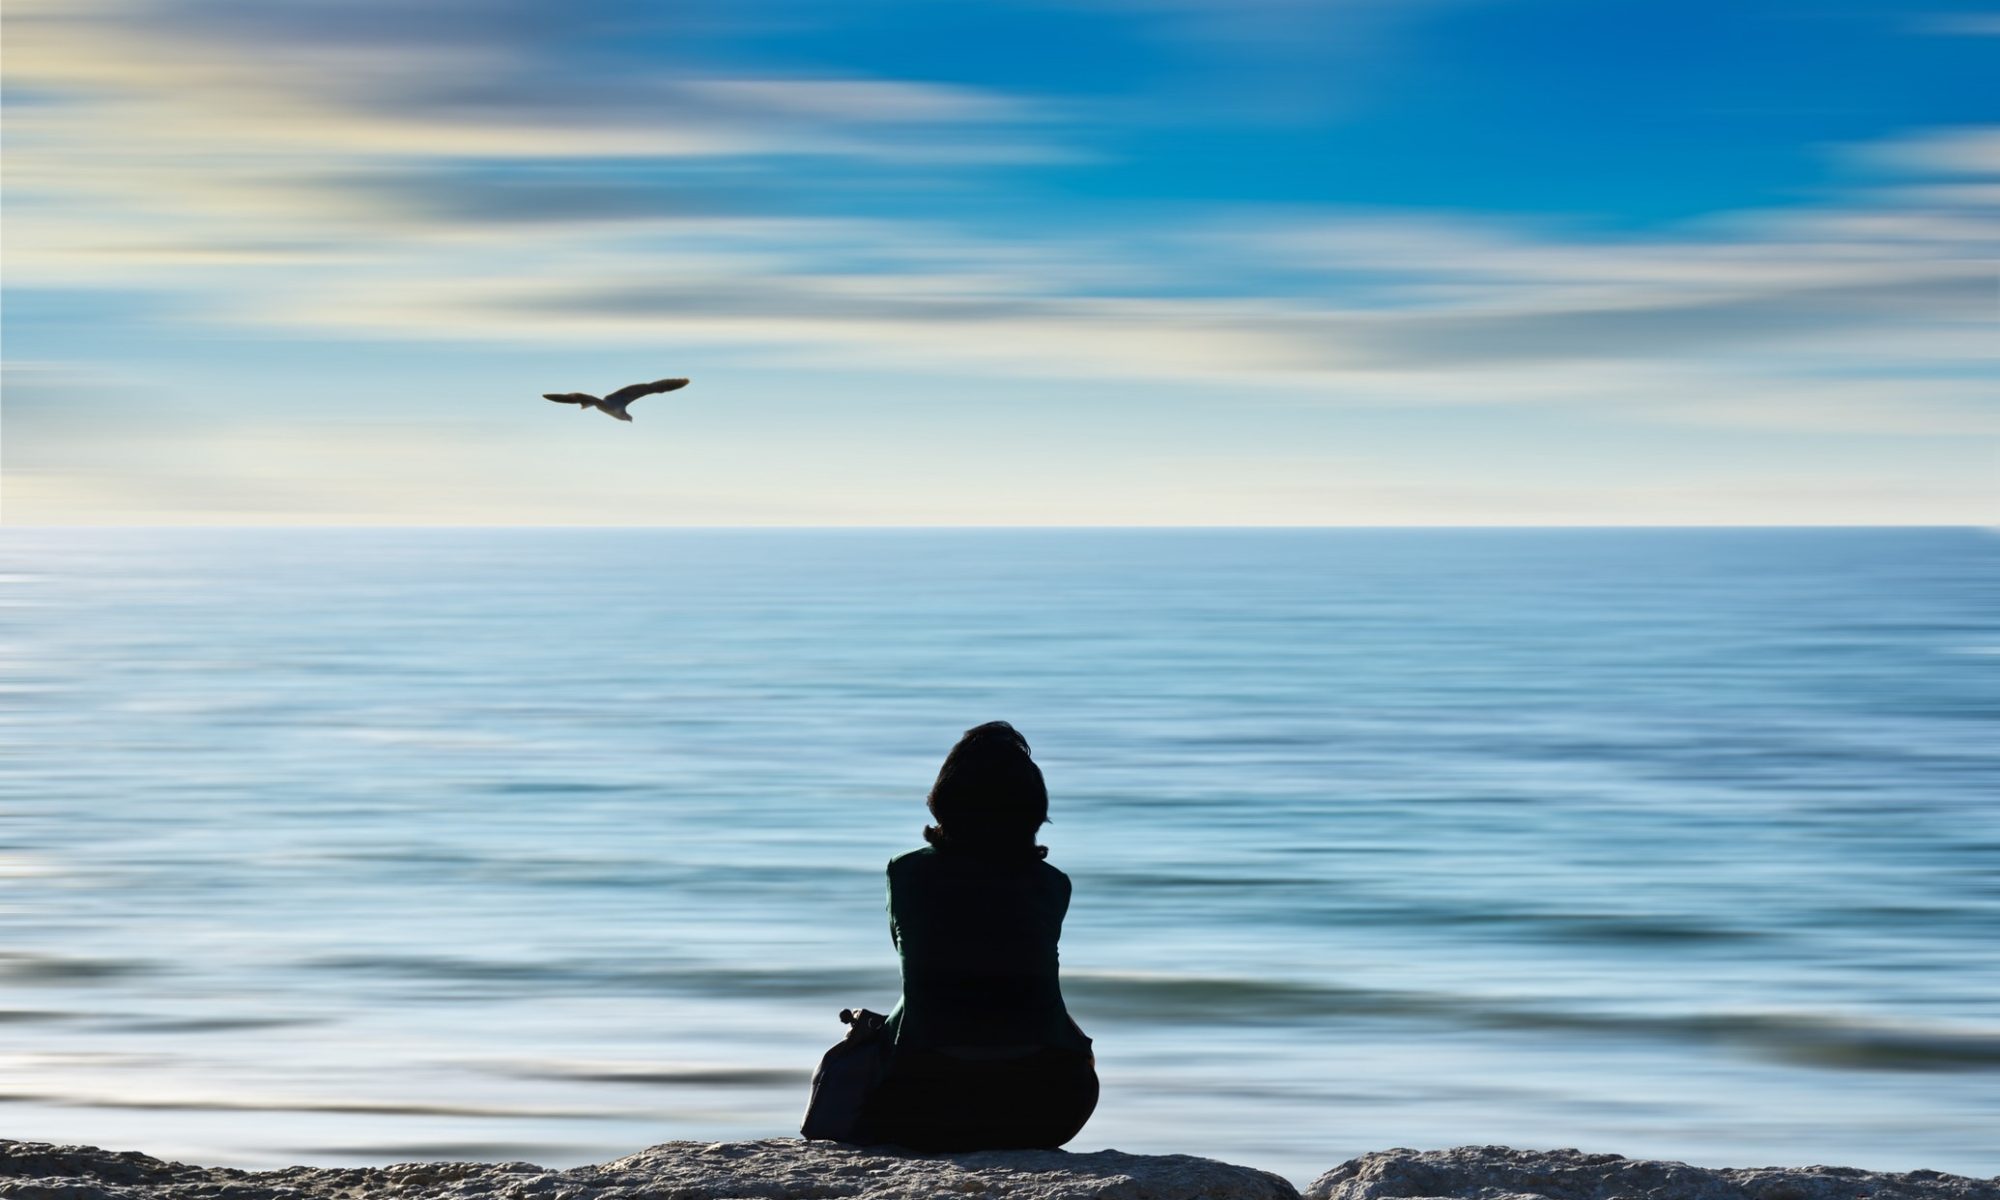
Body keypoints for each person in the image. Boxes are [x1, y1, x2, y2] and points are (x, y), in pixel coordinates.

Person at [853, 721, 1097, 1151]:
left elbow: (923, 971)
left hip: (926, 1104)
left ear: (943, 801)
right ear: (1033, 810)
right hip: (1051, 1106)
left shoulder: (907, 873)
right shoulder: (1052, 884)